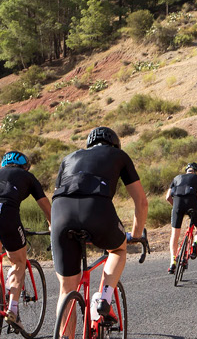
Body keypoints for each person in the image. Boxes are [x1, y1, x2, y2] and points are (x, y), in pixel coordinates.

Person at [49, 127, 148, 324]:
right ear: (115, 144)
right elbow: (141, 202)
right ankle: (104, 298)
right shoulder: (118, 155)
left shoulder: (69, 157)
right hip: (96, 208)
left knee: (67, 290)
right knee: (118, 249)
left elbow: (57, 193)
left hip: (60, 213)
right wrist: (135, 235)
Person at [0, 151, 52, 327]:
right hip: (6, 213)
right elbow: (45, 204)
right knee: (18, 262)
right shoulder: (27, 176)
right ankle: (13, 311)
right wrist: (52, 225)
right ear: (25, 166)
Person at [166, 162, 197, 274]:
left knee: (174, 235)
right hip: (192, 205)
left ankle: (173, 262)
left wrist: (178, 209)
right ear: (196, 172)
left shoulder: (176, 178)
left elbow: (168, 197)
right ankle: (194, 243)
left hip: (177, 206)